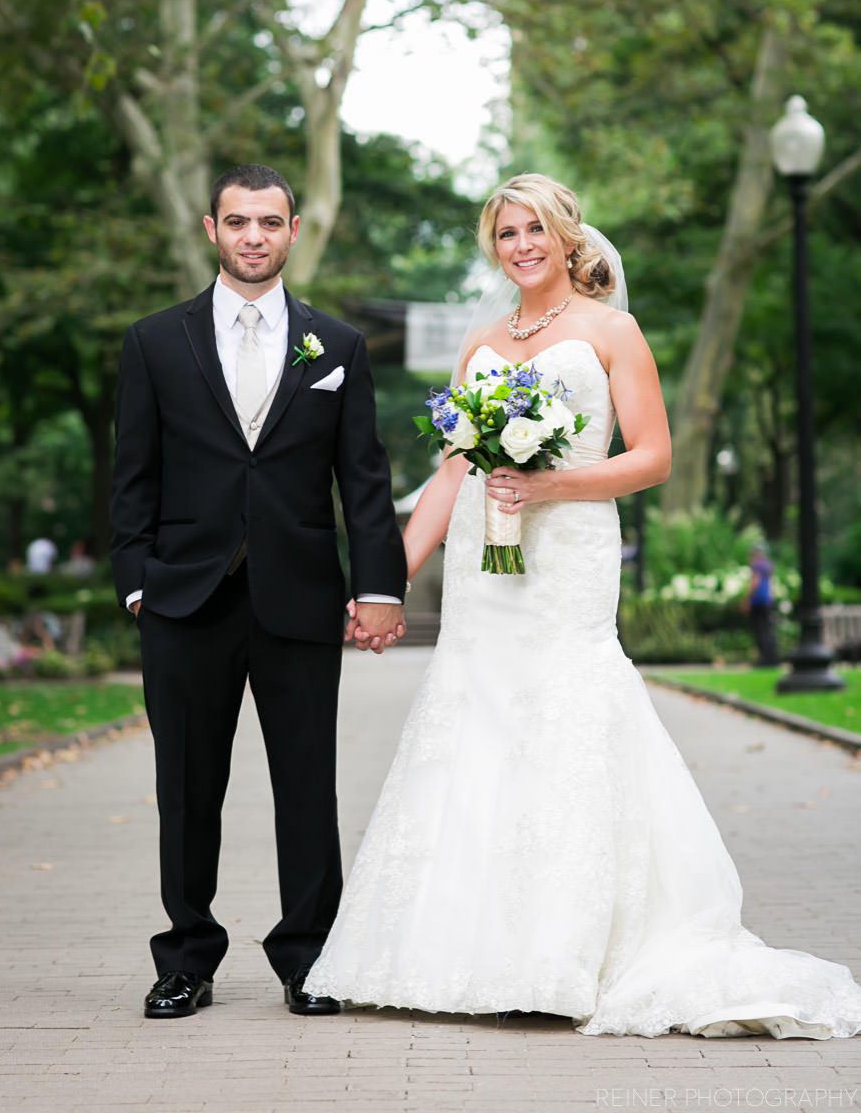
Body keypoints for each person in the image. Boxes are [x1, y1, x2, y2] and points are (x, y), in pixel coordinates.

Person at [307, 173, 861, 1039]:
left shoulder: (612, 332)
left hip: (566, 557)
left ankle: (559, 955)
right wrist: (385, 583)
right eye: (505, 234)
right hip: (483, 571)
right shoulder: (482, 343)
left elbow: (654, 458)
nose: (521, 245)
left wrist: (549, 482)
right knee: (473, 719)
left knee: (563, 715)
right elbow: (452, 473)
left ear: (568, 236)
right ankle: (453, 953)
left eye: (535, 229)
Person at [110, 164, 407, 1020]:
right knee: (187, 787)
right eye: (237, 222)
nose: (252, 237)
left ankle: (308, 958)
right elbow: (133, 476)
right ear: (211, 229)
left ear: (293, 231)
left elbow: (365, 480)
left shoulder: (337, 346)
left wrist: (379, 586)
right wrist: (136, 585)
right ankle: (187, 959)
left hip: (300, 598)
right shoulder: (155, 341)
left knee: (308, 786)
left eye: (269, 223)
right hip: (182, 598)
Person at [746, 544, 779, 668]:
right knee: (768, 629)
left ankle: (764, 659)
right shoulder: (768, 565)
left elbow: (755, 582)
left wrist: (747, 599)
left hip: (758, 600)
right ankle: (773, 658)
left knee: (760, 630)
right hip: (767, 600)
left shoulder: (756, 565)